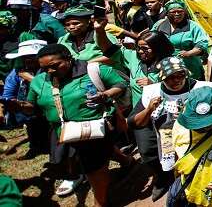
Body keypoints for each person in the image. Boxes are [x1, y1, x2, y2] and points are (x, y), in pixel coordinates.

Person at [9, 44, 127, 207]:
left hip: (97, 126)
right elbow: (32, 106)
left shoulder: (92, 69)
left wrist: (105, 95)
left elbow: (120, 85)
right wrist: (21, 107)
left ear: (69, 59)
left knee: (93, 167)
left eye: (54, 66)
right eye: (44, 68)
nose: (50, 71)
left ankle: (100, 202)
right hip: (66, 131)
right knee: (91, 157)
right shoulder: (39, 81)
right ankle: (127, 162)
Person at [128, 57, 212, 200]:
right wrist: (149, 109)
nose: (176, 81)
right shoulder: (152, 91)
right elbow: (133, 122)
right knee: (147, 150)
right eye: (170, 77)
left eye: (180, 76)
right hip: (164, 136)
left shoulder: (202, 88)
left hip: (195, 135)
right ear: (161, 77)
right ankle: (163, 179)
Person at [151, 0, 209, 80]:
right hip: (165, 64)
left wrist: (189, 53)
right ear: (167, 13)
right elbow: (151, 38)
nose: (177, 14)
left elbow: (202, 44)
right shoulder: (160, 24)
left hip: (188, 64)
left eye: (180, 11)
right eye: (173, 12)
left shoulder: (192, 26)